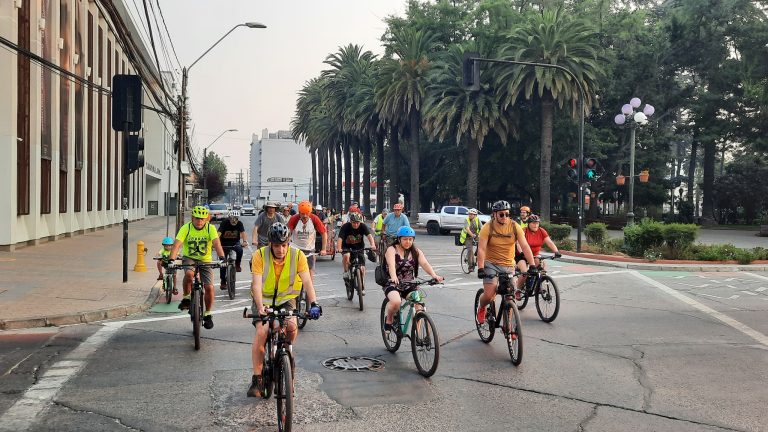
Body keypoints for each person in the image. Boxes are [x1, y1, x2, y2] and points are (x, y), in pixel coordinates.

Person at [247, 222, 322, 397]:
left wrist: (314, 304)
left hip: (287, 299)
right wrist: (260, 307)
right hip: (263, 300)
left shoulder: (298, 256)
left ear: (288, 243)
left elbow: (307, 281)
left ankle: (287, 355)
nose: (280, 249)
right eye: (276, 246)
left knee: (291, 326)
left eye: (283, 245)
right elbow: (256, 285)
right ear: (270, 244)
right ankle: (257, 379)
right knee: (262, 331)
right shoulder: (259, 255)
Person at [475, 200, 536, 325]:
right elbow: (481, 249)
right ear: (494, 214)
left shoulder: (514, 226)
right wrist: (480, 268)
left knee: (510, 295)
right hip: (491, 264)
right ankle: (481, 307)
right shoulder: (488, 227)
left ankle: (508, 326)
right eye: (501, 214)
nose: (505, 217)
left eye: (507, 214)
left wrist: (532, 265)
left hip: (509, 265)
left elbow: (525, 246)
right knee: (489, 294)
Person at [168, 206, 226, 330]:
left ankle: (208, 314)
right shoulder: (186, 228)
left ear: (206, 219)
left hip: (205, 259)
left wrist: (222, 258)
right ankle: (186, 297)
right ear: (192, 218)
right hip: (189, 258)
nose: (199, 221)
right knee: (189, 274)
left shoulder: (210, 228)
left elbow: (216, 243)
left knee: (209, 287)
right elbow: (177, 245)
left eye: (202, 219)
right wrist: (171, 260)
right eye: (197, 219)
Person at [382, 226, 444, 330]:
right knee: (396, 302)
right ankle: (389, 319)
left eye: (410, 239)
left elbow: (425, 264)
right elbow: (391, 265)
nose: (408, 242)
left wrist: (434, 275)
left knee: (419, 306)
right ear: (399, 239)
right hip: (392, 283)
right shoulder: (391, 249)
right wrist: (393, 276)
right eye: (405, 239)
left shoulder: (416, 251)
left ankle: (417, 334)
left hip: (409, 284)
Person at [337, 212, 377, 293]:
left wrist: (372, 245)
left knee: (362, 268)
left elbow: (369, 236)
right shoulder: (345, 227)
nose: (356, 224)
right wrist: (339, 248)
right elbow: (340, 238)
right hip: (346, 247)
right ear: (350, 222)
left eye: (357, 223)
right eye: (354, 223)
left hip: (359, 248)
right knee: (346, 256)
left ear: (360, 222)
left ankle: (362, 285)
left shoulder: (363, 226)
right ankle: (346, 272)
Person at [286, 201, 327, 279]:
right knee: (292, 272)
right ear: (299, 212)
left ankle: (309, 285)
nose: (305, 216)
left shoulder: (314, 219)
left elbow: (324, 233)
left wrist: (324, 249)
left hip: (309, 250)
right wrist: (286, 246)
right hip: (295, 248)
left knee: (310, 271)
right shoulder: (294, 218)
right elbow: (287, 233)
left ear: (310, 212)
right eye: (302, 214)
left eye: (307, 214)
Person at [518, 214, 562, 281]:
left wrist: (556, 251)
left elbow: (549, 242)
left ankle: (537, 285)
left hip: (535, 255)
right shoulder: (524, 231)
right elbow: (518, 244)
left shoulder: (541, 231)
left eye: (537, 223)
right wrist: (521, 252)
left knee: (542, 270)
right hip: (522, 256)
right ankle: (518, 288)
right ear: (528, 224)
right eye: (533, 223)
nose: (535, 225)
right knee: (525, 273)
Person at [217, 210, 248, 291]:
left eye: (236, 218)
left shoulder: (239, 224)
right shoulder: (224, 223)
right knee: (223, 263)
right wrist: (216, 243)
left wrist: (244, 241)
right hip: (224, 244)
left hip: (235, 242)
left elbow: (243, 233)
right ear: (229, 218)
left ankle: (237, 264)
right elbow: (218, 233)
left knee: (240, 250)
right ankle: (223, 281)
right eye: (232, 218)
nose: (234, 220)